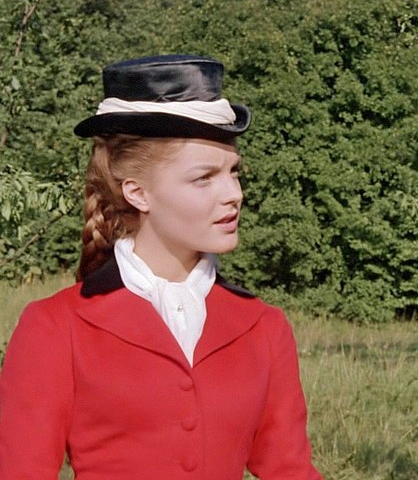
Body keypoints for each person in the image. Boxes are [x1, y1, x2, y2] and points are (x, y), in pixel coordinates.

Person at [0, 55, 322, 479]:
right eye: (204, 178)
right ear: (137, 193)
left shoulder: (263, 327)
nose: (233, 194)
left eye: (233, 173)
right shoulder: (55, 327)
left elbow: (290, 469)